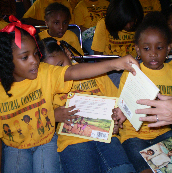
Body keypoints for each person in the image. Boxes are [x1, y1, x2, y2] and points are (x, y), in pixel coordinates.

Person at [0, 15, 139, 173]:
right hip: (20, 146)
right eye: (25, 57)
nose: (34, 61)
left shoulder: (43, 72)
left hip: (51, 141)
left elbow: (72, 71)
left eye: (36, 54)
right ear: (7, 61)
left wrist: (115, 63)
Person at [40, 37, 136, 173]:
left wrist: (115, 123)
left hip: (106, 136)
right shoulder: (47, 85)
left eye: (61, 65)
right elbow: (39, 118)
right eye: (53, 72)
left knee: (122, 168)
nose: (60, 74)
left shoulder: (96, 73)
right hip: (73, 141)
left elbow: (117, 104)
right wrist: (54, 115)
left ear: (68, 53)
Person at [113, 11, 172, 173]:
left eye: (160, 47)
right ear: (137, 49)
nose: (153, 53)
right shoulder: (131, 72)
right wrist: (118, 114)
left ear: (169, 48)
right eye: (146, 48)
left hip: (164, 132)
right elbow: (122, 105)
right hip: (134, 135)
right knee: (146, 170)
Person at [91, 0, 143, 88]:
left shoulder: (139, 25)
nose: (130, 25)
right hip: (112, 68)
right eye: (126, 21)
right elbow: (98, 57)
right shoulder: (103, 25)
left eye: (132, 20)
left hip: (135, 65)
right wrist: (117, 64)